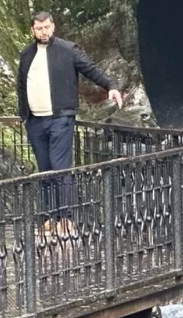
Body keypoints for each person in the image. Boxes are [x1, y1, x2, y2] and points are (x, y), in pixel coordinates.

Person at [17, 12, 121, 233]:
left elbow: (90, 69)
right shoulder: (27, 54)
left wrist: (111, 86)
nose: (43, 32)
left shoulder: (67, 49)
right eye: (39, 28)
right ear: (33, 30)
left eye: (47, 27)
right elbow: (21, 85)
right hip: (35, 120)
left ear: (53, 27)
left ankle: (66, 217)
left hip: (60, 117)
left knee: (59, 165)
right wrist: (23, 114)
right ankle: (50, 217)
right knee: (44, 168)